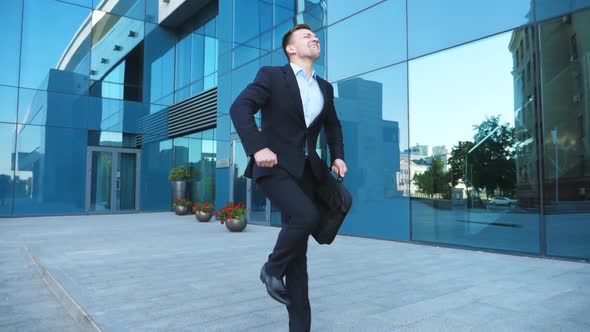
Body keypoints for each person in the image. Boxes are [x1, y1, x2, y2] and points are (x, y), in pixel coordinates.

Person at [230, 24, 347, 331]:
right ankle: (271, 269)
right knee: (306, 216)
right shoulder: (271, 75)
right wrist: (257, 148)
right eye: (306, 36)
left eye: (316, 36)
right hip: (275, 166)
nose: (314, 38)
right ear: (291, 48)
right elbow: (240, 108)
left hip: (309, 171)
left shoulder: (325, 88)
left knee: (299, 259)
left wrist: (337, 155)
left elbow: (333, 126)